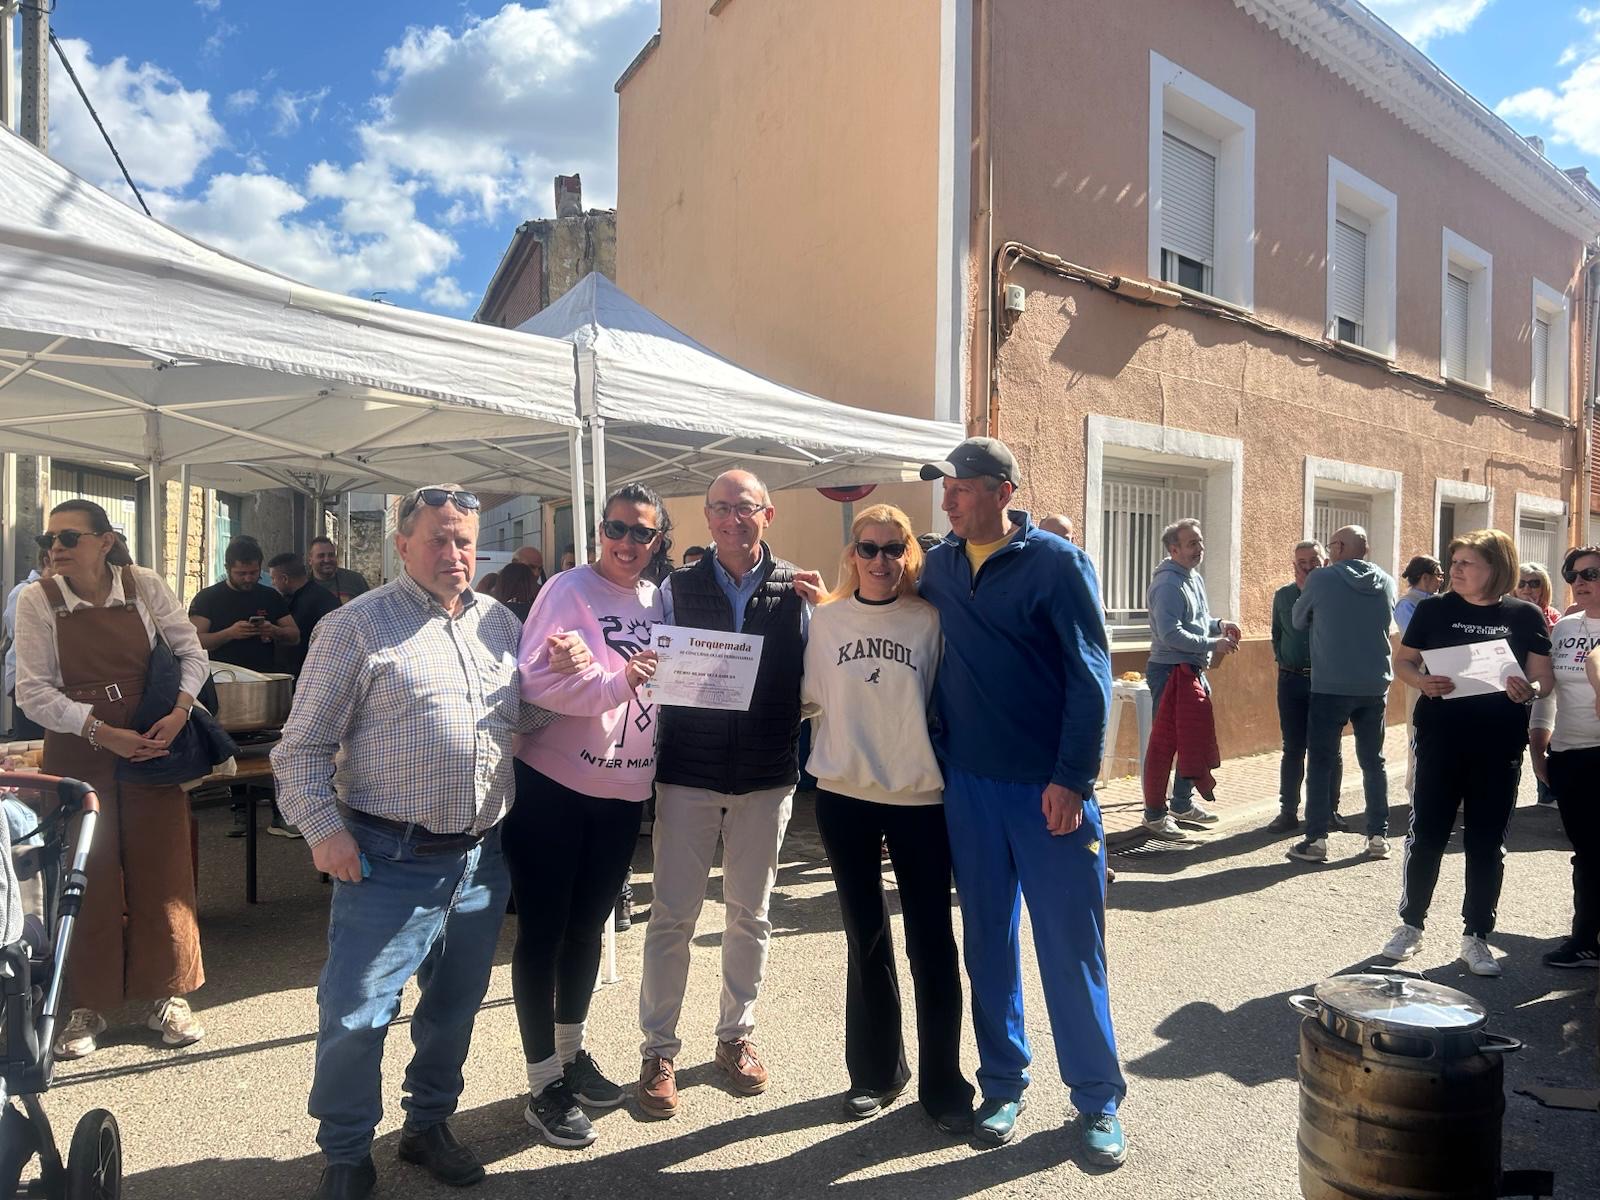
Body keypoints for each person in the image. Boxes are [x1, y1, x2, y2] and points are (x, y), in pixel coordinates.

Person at [273, 486, 552, 1200]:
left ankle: (428, 1124)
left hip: (480, 859)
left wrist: (569, 676)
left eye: (464, 541)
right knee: (356, 1014)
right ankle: (345, 1151)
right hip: (385, 859)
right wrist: (323, 832)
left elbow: (524, 718)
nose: (454, 553)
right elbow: (299, 749)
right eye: (438, 539)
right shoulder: (354, 626)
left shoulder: (500, 623)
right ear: (402, 546)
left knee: (454, 1007)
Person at [915, 436, 1127, 1166]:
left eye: (961, 487)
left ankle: (1097, 1098)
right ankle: (1002, 1083)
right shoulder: (938, 566)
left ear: (1003, 492)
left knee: (1071, 950)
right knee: (987, 945)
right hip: (969, 787)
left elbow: (1090, 677)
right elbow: (881, 606)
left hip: (1048, 791)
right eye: (945, 488)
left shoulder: (1058, 564)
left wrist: (1073, 778)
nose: (948, 500)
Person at [632, 471, 821, 1119]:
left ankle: (735, 1036)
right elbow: (649, 666)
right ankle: (659, 1050)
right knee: (672, 916)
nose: (731, 520)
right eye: (719, 509)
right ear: (707, 517)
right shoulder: (675, 589)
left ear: (767, 514)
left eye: (743, 508)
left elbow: (819, 679)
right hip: (687, 773)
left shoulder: (799, 590)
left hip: (766, 777)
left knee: (750, 915)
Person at [13, 500, 207, 1060]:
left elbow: (191, 652)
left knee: (163, 868)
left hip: (153, 737)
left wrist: (180, 711)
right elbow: (32, 692)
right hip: (80, 746)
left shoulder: (143, 585)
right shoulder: (37, 599)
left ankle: (167, 994)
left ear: (105, 541)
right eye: (48, 540)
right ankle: (87, 1003)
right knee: (87, 872)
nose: (55, 549)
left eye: (69, 538)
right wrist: (102, 732)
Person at [506, 482, 668, 1148]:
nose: (627, 542)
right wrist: (615, 681)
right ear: (600, 530)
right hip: (555, 784)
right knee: (543, 932)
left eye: (642, 532)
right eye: (617, 528)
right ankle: (543, 1082)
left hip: (624, 790)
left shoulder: (660, 600)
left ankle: (571, 1056)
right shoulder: (566, 589)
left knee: (588, 930)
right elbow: (534, 681)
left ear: (658, 540)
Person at [802, 503, 974, 1128]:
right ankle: (875, 1071)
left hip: (917, 797)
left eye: (892, 548)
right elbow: (804, 698)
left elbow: (947, 701)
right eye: (868, 548)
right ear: (852, 554)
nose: (880, 560)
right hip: (843, 794)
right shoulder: (825, 622)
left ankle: (943, 1082)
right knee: (866, 936)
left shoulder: (929, 621)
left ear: (909, 555)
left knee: (932, 939)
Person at [1384, 529, 1554, 976]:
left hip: (1498, 742)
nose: (1454, 570)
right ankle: (1410, 925)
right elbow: (1404, 661)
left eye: (1465, 563)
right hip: (1440, 737)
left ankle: (1476, 936)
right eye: (1453, 562)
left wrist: (1530, 689)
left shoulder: (1524, 615)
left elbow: (1544, 678)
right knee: (1427, 835)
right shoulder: (1434, 609)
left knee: (1486, 842)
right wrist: (1421, 681)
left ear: (1495, 567)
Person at [1288, 526, 1398, 863]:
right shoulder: (1386, 581)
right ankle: (1378, 836)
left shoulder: (1321, 579)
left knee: (1321, 762)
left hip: (1331, 684)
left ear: (1336, 548)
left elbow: (1297, 620)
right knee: (1373, 762)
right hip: (1374, 684)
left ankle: (1316, 839)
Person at [1141, 519, 1238, 840]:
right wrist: (1213, 644)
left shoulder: (1191, 576)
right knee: (1164, 745)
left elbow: (1197, 620)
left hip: (1192, 670)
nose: (1200, 548)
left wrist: (1220, 625)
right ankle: (1154, 815)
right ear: (1174, 549)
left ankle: (1182, 804)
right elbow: (1171, 634)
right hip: (1171, 671)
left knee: (1191, 740)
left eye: (1200, 541)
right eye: (1192, 543)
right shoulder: (1168, 584)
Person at [1529, 546, 1600, 968]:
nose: (1579, 582)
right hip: (1569, 754)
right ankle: (1586, 939)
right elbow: (1547, 694)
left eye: (1591, 574)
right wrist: (1539, 749)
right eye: (1572, 575)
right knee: (1586, 851)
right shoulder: (1565, 628)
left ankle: (1585, 936)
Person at [1267, 540, 1341, 834]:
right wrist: (1285, 660)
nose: (1308, 567)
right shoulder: (1283, 596)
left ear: (1326, 563)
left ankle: (1329, 811)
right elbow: (1277, 634)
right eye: (1302, 562)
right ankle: (1288, 812)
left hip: (1326, 681)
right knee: (1293, 748)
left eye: (1314, 561)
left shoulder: (1336, 594)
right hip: (1291, 680)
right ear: (1294, 565)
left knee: (1329, 748)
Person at [189, 536, 300, 674]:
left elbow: (295, 636)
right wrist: (229, 634)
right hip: (222, 677)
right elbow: (193, 641)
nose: (248, 578)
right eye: (241, 574)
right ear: (227, 569)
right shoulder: (207, 598)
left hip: (263, 676)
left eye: (253, 573)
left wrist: (274, 630)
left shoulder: (271, 596)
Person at [1394, 554, 1443, 802]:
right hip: (1419, 673)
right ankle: (1415, 788)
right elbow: (1413, 640)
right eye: (1439, 575)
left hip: (1439, 672)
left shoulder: (1437, 602)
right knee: (1417, 731)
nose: (1442, 580)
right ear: (1425, 577)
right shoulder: (1407, 604)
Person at [268, 554, 340, 679]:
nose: (272, 583)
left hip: (312, 672)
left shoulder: (321, 601)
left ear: (285, 579)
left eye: (273, 578)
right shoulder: (321, 597)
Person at [4, 547, 47, 740]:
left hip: (48, 678)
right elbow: (20, 634)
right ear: (47, 561)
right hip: (24, 675)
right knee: (30, 735)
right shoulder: (24, 592)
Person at [309, 536, 371, 605]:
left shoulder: (355, 580)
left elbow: (370, 607)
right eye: (321, 556)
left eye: (331, 555)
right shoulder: (303, 584)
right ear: (310, 560)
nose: (327, 560)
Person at [1514, 563, 1562, 629]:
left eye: (1533, 583)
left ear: (1543, 588)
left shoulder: (1553, 615)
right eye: (1521, 583)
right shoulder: (1506, 612)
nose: (1526, 588)